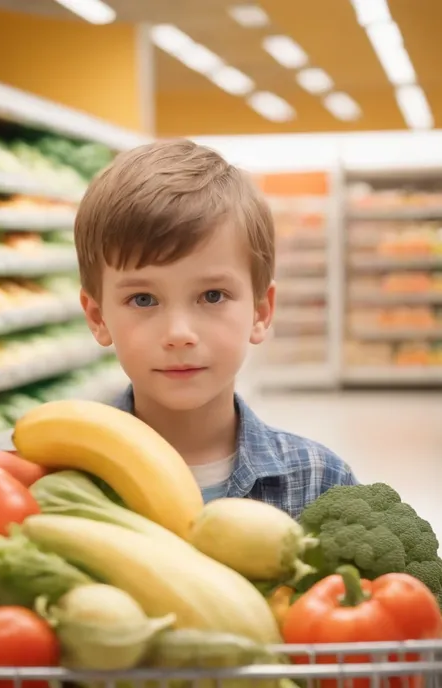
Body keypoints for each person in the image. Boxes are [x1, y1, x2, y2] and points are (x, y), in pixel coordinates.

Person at [74, 138, 358, 519]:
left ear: (260, 312)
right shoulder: (64, 483)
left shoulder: (321, 482)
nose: (179, 333)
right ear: (97, 317)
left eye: (212, 295)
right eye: (143, 299)